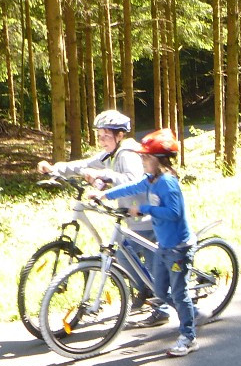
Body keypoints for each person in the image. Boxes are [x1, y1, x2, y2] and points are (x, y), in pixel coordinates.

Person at [37, 110, 169, 326]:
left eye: (106, 136)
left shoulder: (128, 153)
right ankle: (145, 290)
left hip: (147, 217)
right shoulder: (111, 154)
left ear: (119, 136)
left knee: (152, 263)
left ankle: (162, 308)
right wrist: (56, 168)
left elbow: (133, 180)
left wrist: (104, 176)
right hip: (132, 218)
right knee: (125, 258)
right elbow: (85, 164)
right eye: (99, 136)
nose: (102, 140)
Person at [90, 129, 199, 356]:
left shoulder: (167, 183)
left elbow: (174, 213)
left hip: (178, 248)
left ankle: (188, 337)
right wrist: (104, 195)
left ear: (158, 161)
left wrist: (143, 209)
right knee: (159, 290)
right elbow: (131, 187)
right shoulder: (150, 179)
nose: (142, 161)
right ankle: (189, 310)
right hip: (164, 246)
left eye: (145, 158)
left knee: (178, 293)